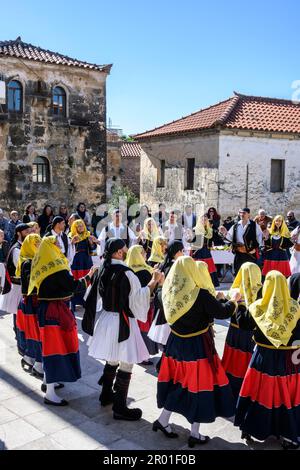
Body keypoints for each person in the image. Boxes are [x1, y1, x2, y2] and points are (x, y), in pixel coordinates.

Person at [154, 256, 240, 447]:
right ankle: (194, 433)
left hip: (175, 345)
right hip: (198, 347)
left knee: (179, 384)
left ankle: (163, 420)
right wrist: (232, 301)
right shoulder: (200, 294)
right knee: (200, 387)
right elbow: (222, 312)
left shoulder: (165, 292)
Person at [84, 238, 162, 420]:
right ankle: (119, 407)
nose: (126, 250)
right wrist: (154, 280)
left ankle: (105, 396)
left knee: (112, 358)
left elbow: (93, 297)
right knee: (126, 361)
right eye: (124, 248)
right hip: (122, 322)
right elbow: (138, 298)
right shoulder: (127, 273)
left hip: (106, 319)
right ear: (119, 252)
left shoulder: (102, 268)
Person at [234, 270, 300, 449]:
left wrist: (240, 305)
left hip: (262, 359)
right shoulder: (296, 308)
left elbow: (243, 323)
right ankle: (288, 435)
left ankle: (249, 427)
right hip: (287, 362)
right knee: (285, 396)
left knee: (257, 392)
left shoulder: (257, 307)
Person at [28, 236, 93, 406]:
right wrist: (88, 277)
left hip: (47, 310)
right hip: (53, 312)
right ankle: (49, 393)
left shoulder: (42, 263)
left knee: (50, 348)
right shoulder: (56, 267)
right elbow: (72, 286)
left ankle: (48, 380)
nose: (59, 246)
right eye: (55, 244)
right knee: (53, 350)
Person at [221, 262, 262, 401]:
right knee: (246, 358)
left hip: (234, 333)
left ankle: (230, 386)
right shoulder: (261, 292)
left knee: (233, 359)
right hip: (250, 335)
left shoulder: (234, 291)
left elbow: (226, 310)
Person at [148, 240, 185, 360]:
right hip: (171, 306)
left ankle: (165, 365)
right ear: (177, 252)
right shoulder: (176, 266)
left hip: (161, 306)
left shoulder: (162, 264)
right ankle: (165, 366)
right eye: (182, 251)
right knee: (171, 341)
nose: (184, 253)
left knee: (167, 342)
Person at [15, 234, 43, 376]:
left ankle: (30, 358)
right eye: (35, 243)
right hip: (32, 302)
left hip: (35, 301)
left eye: (39, 242)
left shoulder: (37, 259)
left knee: (36, 333)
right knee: (36, 333)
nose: (39, 245)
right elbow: (30, 285)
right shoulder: (27, 262)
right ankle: (37, 362)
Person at [125, 245, 158, 364]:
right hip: (144, 306)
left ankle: (134, 354)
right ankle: (143, 356)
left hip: (130, 306)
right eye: (143, 253)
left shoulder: (126, 269)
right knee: (144, 330)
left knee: (134, 330)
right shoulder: (144, 271)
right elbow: (151, 289)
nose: (145, 255)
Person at [0, 223, 30, 317]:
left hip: (21, 286)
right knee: (18, 315)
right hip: (17, 287)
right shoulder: (17, 249)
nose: (28, 234)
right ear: (19, 233)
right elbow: (21, 268)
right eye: (26, 232)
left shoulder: (24, 247)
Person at [69, 219, 98, 311]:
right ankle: (73, 303)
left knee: (88, 279)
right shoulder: (71, 236)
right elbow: (68, 249)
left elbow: (93, 248)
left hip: (86, 260)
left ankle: (86, 301)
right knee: (76, 280)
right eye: (78, 226)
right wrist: (72, 243)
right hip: (76, 260)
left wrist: (91, 243)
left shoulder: (87, 235)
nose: (81, 227)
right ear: (75, 227)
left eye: (82, 225)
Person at [224, 208, 263, 275]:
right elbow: (228, 237)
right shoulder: (235, 226)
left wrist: (255, 249)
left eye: (244, 213)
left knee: (250, 273)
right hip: (239, 253)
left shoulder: (254, 225)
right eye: (240, 213)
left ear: (248, 214)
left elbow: (260, 237)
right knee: (239, 272)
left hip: (250, 254)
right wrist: (224, 233)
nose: (242, 214)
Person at [192, 214, 219, 287]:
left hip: (206, 251)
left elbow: (212, 240)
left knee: (208, 268)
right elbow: (192, 241)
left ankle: (209, 284)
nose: (204, 221)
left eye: (205, 220)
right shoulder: (195, 229)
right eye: (202, 219)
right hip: (197, 251)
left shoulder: (209, 230)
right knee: (197, 267)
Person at [0, 230, 9, 294]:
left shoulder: (5, 243)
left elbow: (7, 256)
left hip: (3, 265)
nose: (2, 237)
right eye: (0, 235)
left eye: (3, 235)